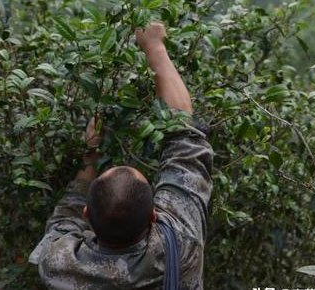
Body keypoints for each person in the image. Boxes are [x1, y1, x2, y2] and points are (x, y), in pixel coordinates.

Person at [29, 22, 214, 290]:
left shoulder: (57, 266)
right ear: (153, 218)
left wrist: (90, 154)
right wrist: (154, 47)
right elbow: (185, 142)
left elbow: (63, 219)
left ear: (86, 215)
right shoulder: (180, 246)